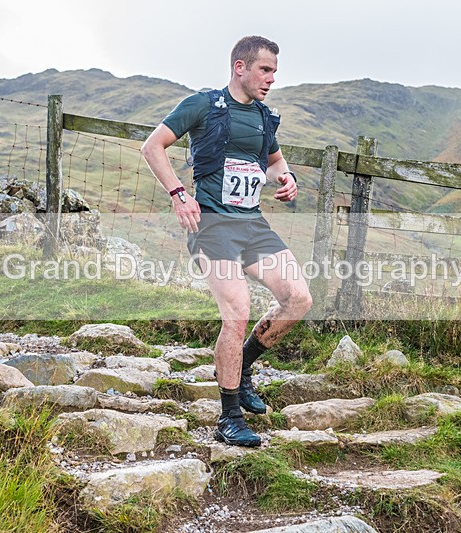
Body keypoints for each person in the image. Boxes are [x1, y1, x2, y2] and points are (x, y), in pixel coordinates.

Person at [141, 36, 312, 447]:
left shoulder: (265, 118)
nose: (271, 79)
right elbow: (152, 146)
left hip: (253, 225)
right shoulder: (203, 104)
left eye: (274, 72)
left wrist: (286, 178)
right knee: (237, 312)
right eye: (264, 70)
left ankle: (243, 365)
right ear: (240, 67)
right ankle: (229, 417)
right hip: (213, 226)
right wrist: (178, 194)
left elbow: (274, 161)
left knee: (299, 299)